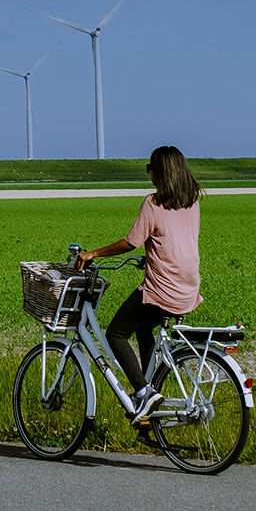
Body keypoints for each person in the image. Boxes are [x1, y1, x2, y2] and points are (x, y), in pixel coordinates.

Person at [75, 144, 203, 427]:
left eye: (150, 169)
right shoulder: (191, 201)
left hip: (163, 289)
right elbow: (175, 241)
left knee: (116, 333)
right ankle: (149, 398)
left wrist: (93, 253)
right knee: (144, 327)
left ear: (160, 173)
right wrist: (152, 256)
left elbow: (130, 241)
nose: (148, 174)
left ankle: (144, 393)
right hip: (188, 289)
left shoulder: (153, 203)